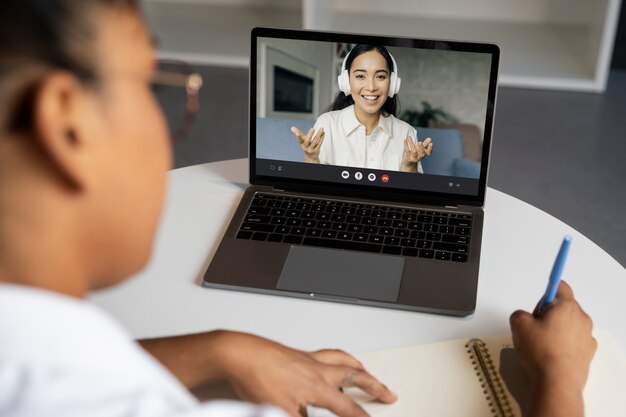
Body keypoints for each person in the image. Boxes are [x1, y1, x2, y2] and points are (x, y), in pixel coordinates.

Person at [0, 2, 596, 417]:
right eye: (151, 86)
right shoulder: (325, 125)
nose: (370, 84)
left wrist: (221, 346)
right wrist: (562, 375)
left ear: (389, 85)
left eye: (380, 76)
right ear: (67, 125)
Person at [290, 44, 433, 173]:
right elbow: (315, 190)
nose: (371, 87)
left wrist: (409, 166)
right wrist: (311, 158)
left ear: (393, 84)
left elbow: (407, 197)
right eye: (360, 76)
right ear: (346, 82)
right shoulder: (327, 124)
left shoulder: (406, 132)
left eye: (380, 76)